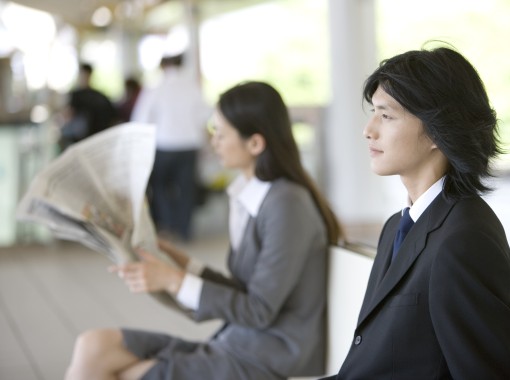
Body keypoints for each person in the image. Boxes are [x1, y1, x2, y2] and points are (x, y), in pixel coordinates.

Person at [65, 81, 343, 380]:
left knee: (131, 374)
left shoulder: (286, 205)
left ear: (255, 144)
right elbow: (246, 290)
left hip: (265, 358)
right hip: (238, 343)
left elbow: (258, 309)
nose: (214, 142)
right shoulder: (254, 196)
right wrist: (181, 262)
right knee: (93, 346)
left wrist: (174, 280)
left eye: (221, 134)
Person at [322, 46, 510, 379]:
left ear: (436, 130)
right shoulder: (396, 227)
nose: (368, 130)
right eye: (373, 112)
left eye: (386, 115)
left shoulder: (465, 240)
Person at [131, 54, 211, 241]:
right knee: (186, 188)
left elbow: (141, 119)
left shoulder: (155, 88)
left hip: (163, 145)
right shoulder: (192, 87)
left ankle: (167, 226)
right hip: (189, 145)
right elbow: (205, 116)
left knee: (160, 187)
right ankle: (185, 229)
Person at [59, 63, 117, 150]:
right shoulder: (99, 96)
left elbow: (68, 115)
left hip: (85, 140)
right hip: (97, 140)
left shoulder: (78, 96)